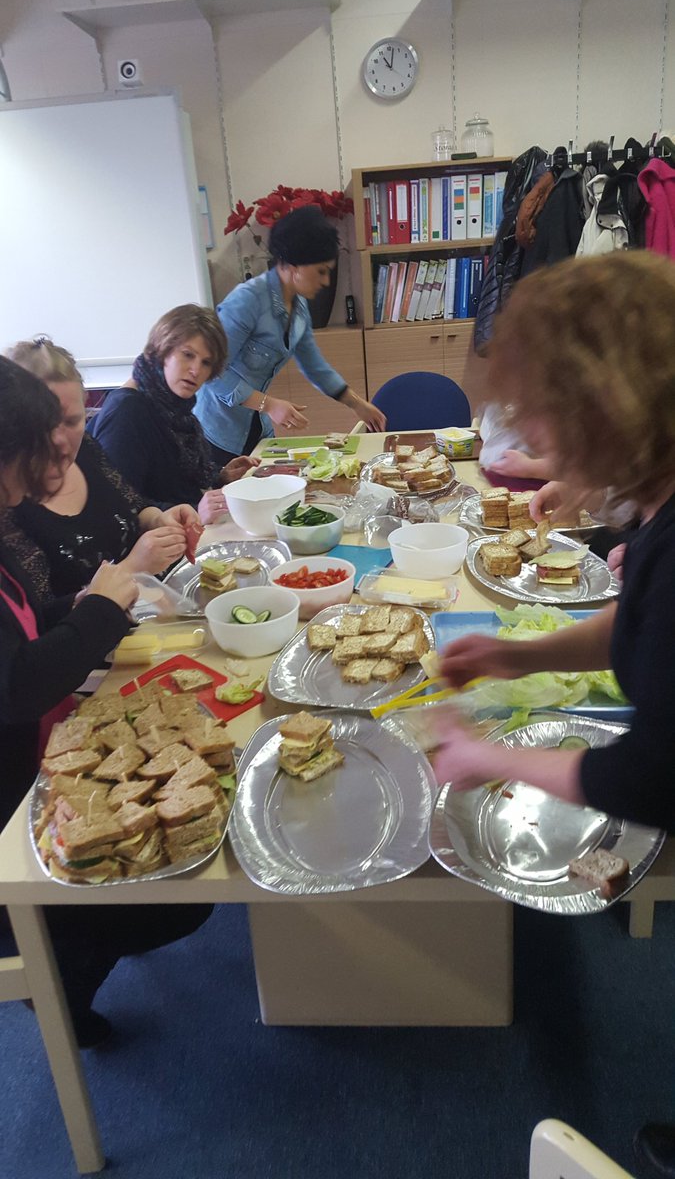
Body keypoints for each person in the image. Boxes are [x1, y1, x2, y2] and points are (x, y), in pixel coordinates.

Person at [432, 250, 675, 1178]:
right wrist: (512, 653)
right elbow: (642, 630)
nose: (527, 431)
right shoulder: (654, 504)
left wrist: (485, 756)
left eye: (540, 410)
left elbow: (649, 771)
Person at [0, 355, 212, 1048]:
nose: (56, 457)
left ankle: (75, 949)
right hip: (15, 785)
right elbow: (19, 684)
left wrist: (104, 600)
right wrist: (100, 606)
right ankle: (59, 981)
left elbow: (36, 624)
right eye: (42, 446)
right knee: (177, 897)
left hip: (45, 727)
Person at [195, 204, 386, 464]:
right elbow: (212, 373)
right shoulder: (247, 301)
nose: (326, 281)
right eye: (320, 271)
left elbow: (315, 367)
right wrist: (270, 405)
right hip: (217, 434)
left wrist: (357, 404)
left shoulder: (298, 306)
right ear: (294, 265)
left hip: (257, 429)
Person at [4, 337, 189, 599]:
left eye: (72, 421)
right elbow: (39, 620)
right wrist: (133, 567)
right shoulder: (8, 502)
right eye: (46, 423)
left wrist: (159, 519)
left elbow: (133, 506)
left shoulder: (87, 449)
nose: (60, 440)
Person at [91, 304, 257, 522]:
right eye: (188, 355)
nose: (196, 370)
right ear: (162, 350)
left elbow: (172, 478)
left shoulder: (176, 405)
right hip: (161, 543)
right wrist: (195, 509)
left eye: (206, 363)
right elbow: (118, 505)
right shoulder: (126, 411)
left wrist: (219, 476)